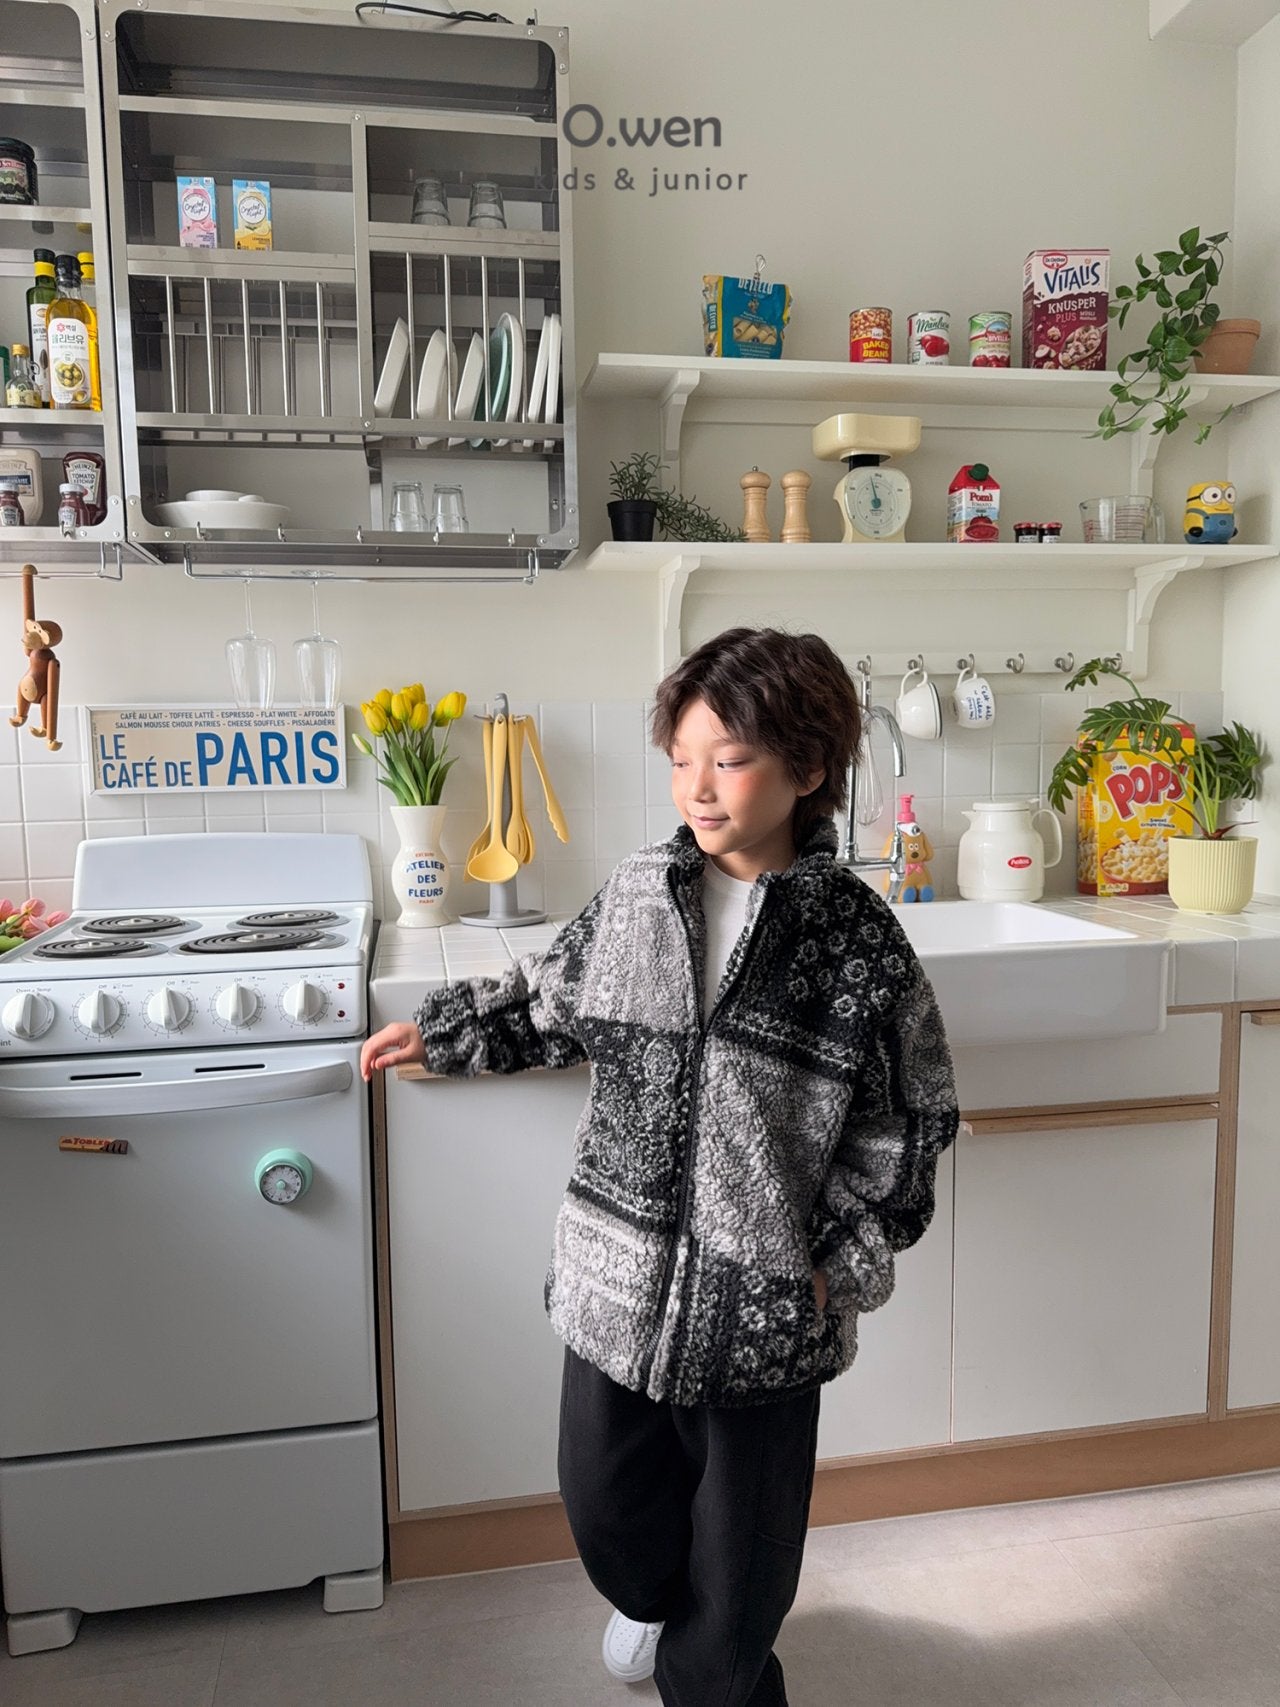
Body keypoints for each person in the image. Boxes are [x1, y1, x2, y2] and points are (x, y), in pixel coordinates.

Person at [362, 626, 960, 1707]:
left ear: (807, 769)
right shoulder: (641, 891)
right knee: (606, 1510)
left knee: (736, 1605)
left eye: (728, 759)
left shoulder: (857, 942)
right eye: (681, 759)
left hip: (766, 1313)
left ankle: (711, 1659)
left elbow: (909, 1123)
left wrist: (836, 1264)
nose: (698, 786)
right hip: (617, 1288)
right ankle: (656, 1602)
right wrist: (444, 1034)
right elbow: (549, 998)